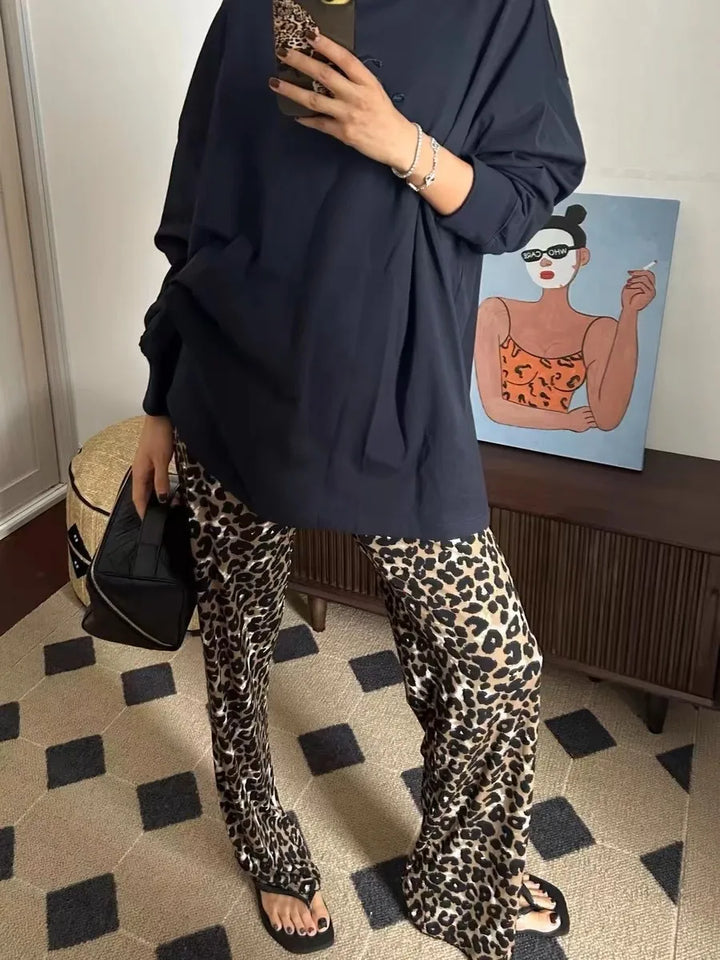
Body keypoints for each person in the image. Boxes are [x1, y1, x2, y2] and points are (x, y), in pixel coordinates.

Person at [131, 1, 586, 957]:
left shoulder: (497, 9)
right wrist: (160, 398)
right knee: (237, 641)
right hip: (230, 379)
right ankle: (265, 840)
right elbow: (190, 212)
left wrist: (400, 143)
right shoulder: (253, 8)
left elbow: (522, 202)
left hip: (395, 389)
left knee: (496, 661)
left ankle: (460, 875)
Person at [475, 204, 657, 432]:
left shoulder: (599, 330)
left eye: (557, 251)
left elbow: (607, 418)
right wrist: (567, 421)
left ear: (583, 256)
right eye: (534, 254)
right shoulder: (495, 313)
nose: (544, 261)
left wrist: (630, 313)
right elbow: (493, 407)